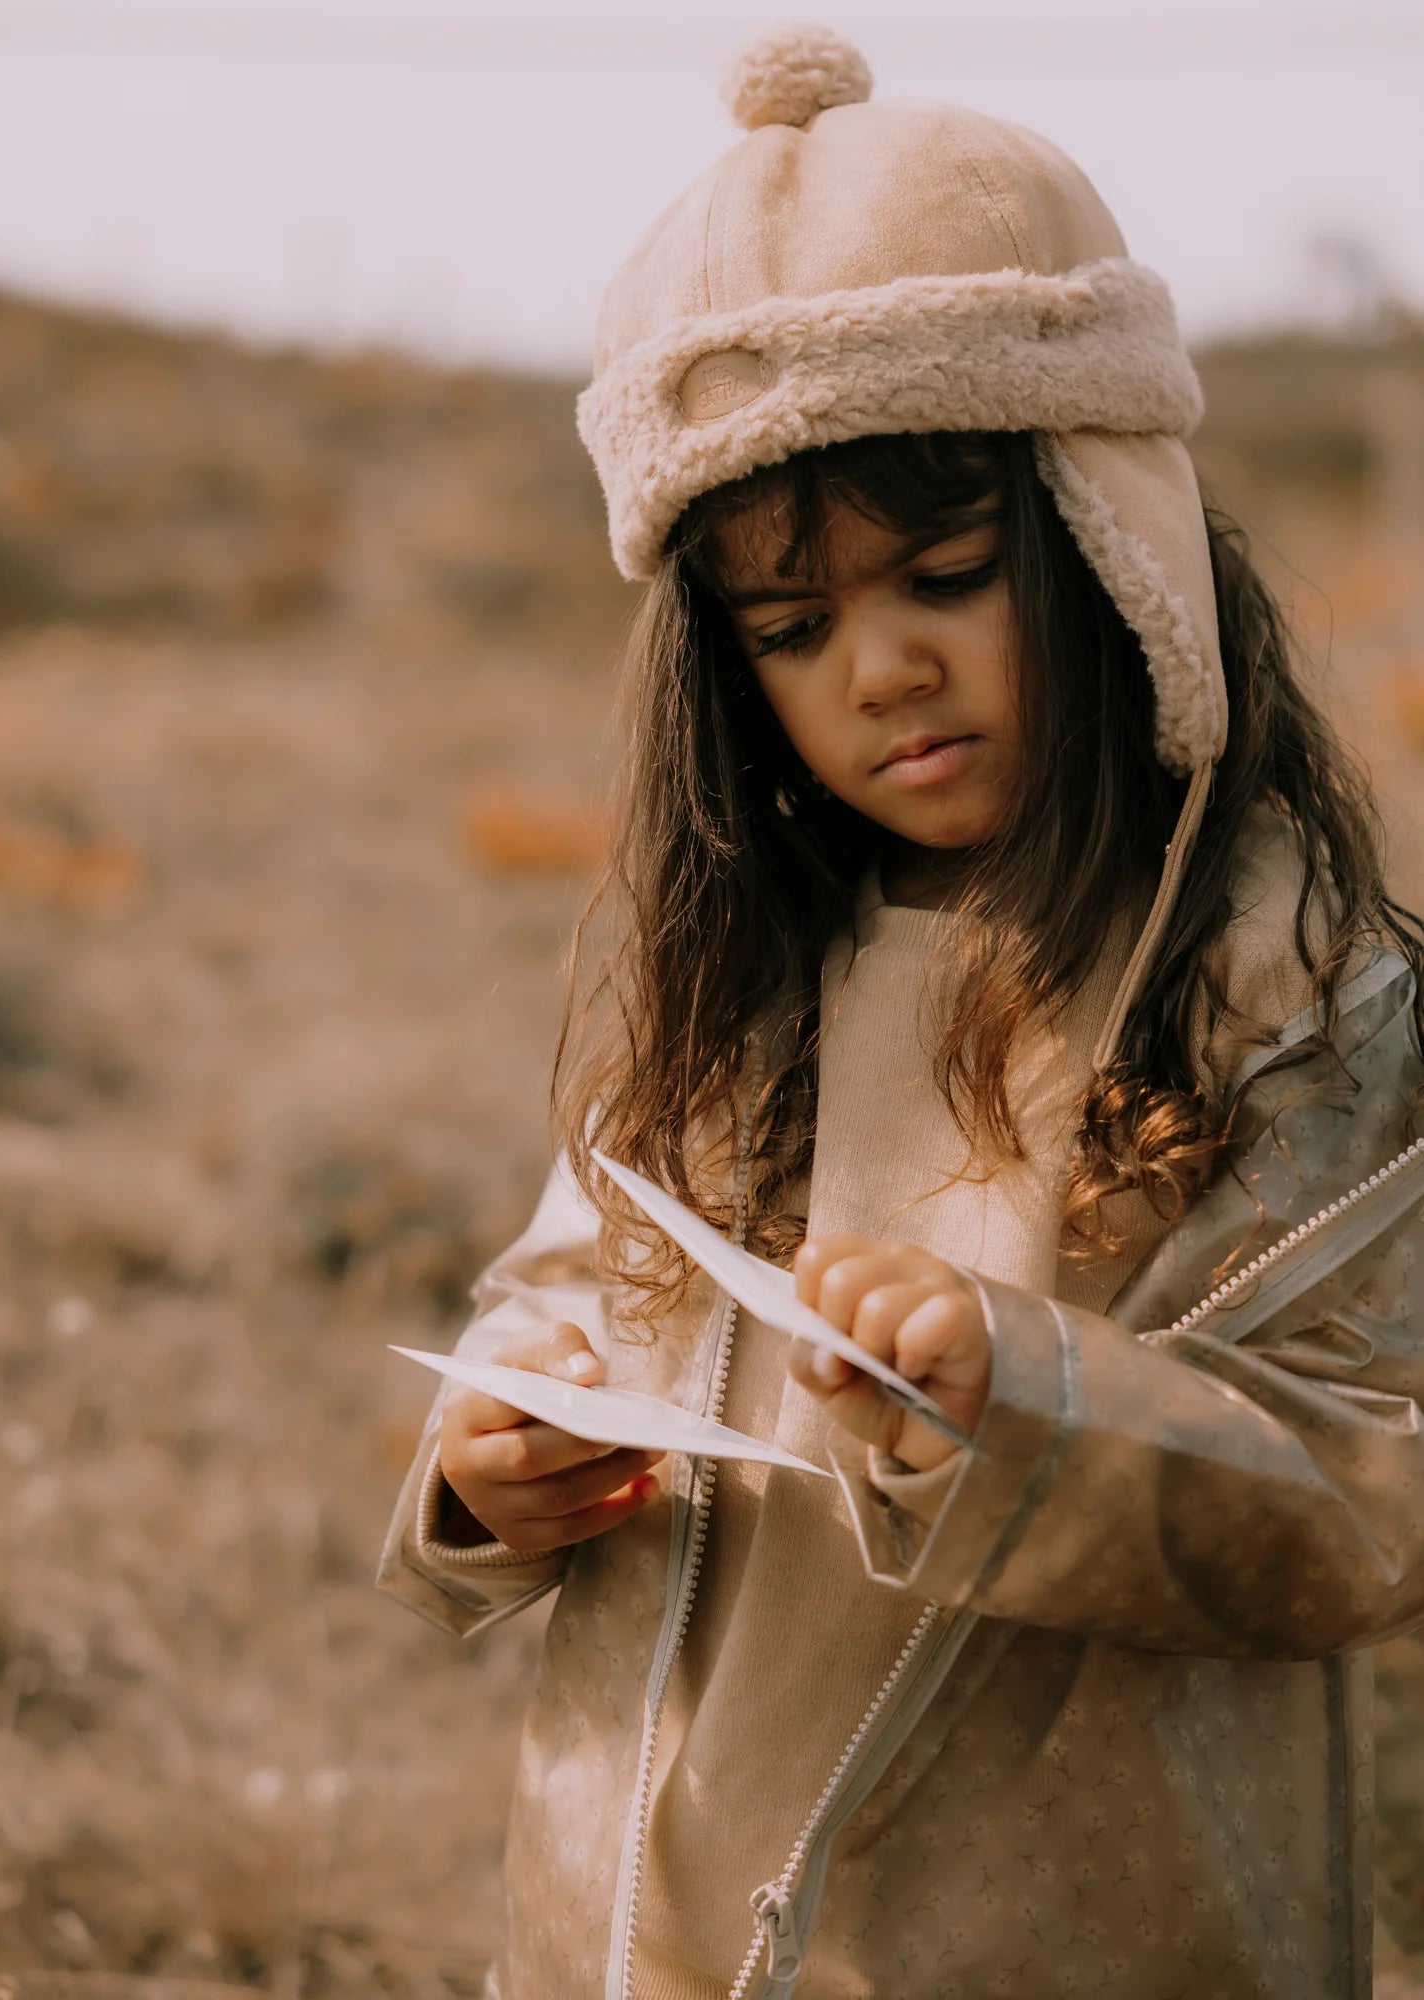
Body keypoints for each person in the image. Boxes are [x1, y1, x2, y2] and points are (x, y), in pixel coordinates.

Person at [378, 24, 1424, 1999]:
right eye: (789, 627)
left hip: (1090, 1936)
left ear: (1110, 536)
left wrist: (1011, 1395)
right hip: (662, 1934)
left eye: (943, 572)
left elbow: (1366, 1484)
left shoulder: (1275, 971)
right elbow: (568, 1285)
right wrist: (487, 1455)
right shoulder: (741, 977)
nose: (878, 670)